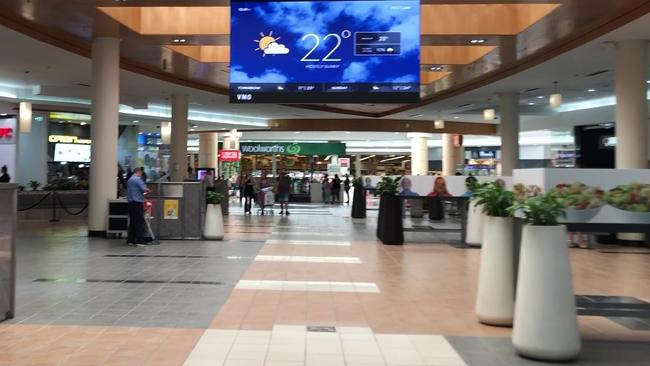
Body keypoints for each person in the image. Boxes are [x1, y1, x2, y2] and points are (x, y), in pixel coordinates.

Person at [126, 167, 151, 246]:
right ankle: (139, 240)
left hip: (130, 203)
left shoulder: (130, 180)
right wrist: (148, 190)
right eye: (141, 173)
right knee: (139, 222)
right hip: (137, 203)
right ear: (139, 172)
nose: (141, 175)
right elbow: (144, 189)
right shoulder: (137, 179)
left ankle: (131, 240)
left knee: (132, 222)